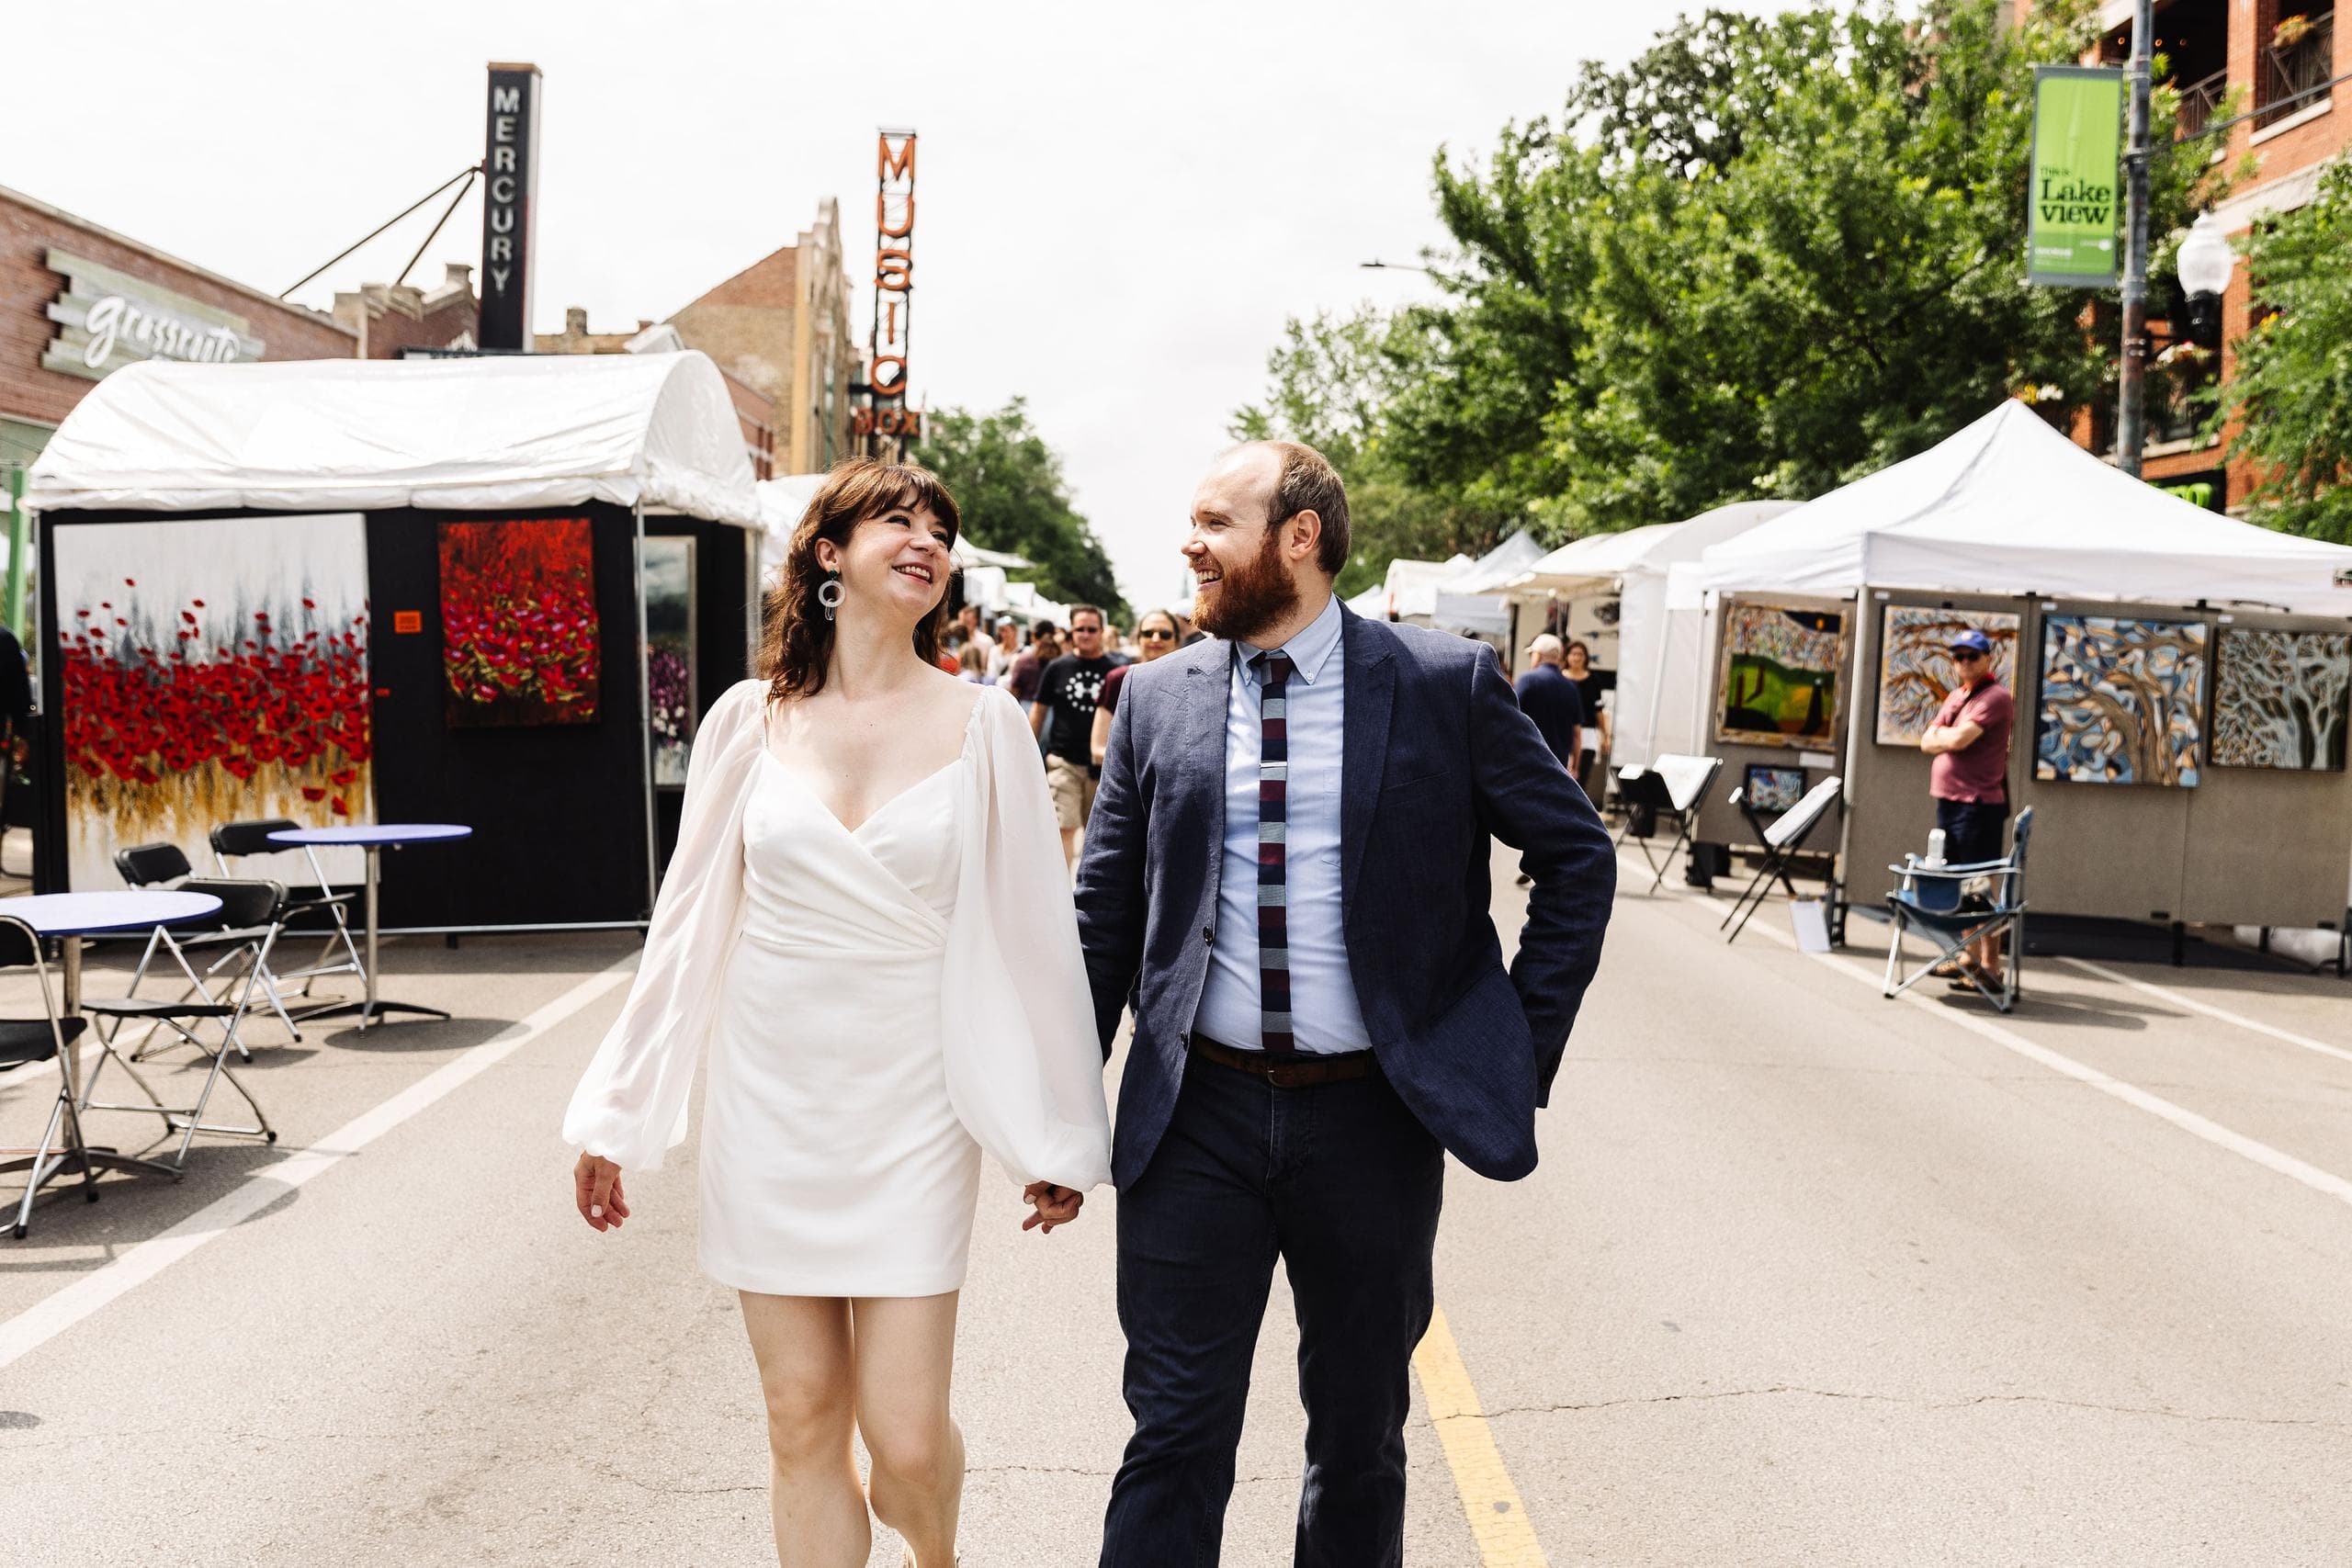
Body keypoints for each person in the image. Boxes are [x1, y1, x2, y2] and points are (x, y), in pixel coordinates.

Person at [1075, 441, 1616, 1567]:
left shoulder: (1440, 685)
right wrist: (1057, 1105)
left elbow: (1576, 856)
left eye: (1215, 521)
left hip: (1372, 1121)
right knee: (1174, 1432)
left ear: (1299, 538)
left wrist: (1516, 1043)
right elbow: (1103, 923)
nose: (1190, 543)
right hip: (1194, 1121)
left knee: (1360, 1437)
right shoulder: (1156, 700)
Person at [562, 458, 1111, 1568]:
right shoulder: (745, 723)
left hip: (915, 1101)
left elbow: (1031, 935)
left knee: (903, 1443)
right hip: (770, 1106)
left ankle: (936, 1553)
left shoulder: (984, 723)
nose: (928, 541)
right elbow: (687, 928)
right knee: (801, 1420)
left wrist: (1053, 1129)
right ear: (827, 552)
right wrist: (618, 1114)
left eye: (940, 529)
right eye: (897, 520)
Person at [1917, 627, 2015, 987]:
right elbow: (1926, 740)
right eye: (1958, 657)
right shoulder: (1958, 696)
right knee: (1957, 883)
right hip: (1949, 802)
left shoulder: (1996, 697)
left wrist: (1941, 737)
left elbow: (1957, 738)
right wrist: (1940, 737)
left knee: (1979, 887)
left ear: (1988, 658)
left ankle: (1990, 967)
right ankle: (1967, 957)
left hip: (1977, 806)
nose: (1965, 662)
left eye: (1972, 656)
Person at [1030, 604, 1114, 868]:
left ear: (1101, 632)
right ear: (1071, 631)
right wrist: (1027, 751)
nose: (1086, 634)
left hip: (1101, 766)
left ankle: (1087, 892)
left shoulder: (1114, 671)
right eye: (1080, 629)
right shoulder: (1057, 668)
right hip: (1063, 762)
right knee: (1063, 828)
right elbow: (1039, 712)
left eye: (1092, 629)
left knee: (1097, 834)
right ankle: (1063, 896)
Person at [1511, 634, 1586, 887]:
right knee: (1552, 814)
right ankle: (1545, 861)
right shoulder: (1570, 687)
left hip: (1529, 761)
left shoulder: (1528, 681)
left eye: (1533, 654)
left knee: (1530, 816)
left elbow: (1509, 719)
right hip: (1558, 763)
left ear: (1540, 655)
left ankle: (1539, 863)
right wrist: (1575, 763)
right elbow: (1577, 732)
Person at [1090, 607, 1181, 768]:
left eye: (1165, 634)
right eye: (1148, 633)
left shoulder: (1188, 681)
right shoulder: (1118, 678)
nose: (1156, 638)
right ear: (1138, 638)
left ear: (1176, 640)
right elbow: (1097, 750)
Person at [1560, 637, 1613, 790]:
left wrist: (1605, 735)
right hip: (1565, 732)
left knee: (1581, 777)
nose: (1577, 658)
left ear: (1585, 658)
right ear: (1567, 656)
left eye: (1580, 654)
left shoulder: (1593, 681)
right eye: (1573, 654)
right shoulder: (1560, 678)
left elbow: (1599, 711)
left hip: (1588, 733)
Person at [1007, 620, 1057, 712]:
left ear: (1033, 636)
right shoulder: (1060, 660)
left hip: (1026, 709)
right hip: (1054, 711)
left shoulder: (1022, 660)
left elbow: (1014, 691)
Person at [989, 614, 1022, 680]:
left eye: (1007, 630)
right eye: (1001, 631)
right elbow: (991, 674)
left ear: (1015, 631)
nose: (1004, 634)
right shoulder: (994, 650)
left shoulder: (1024, 650)